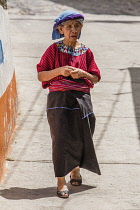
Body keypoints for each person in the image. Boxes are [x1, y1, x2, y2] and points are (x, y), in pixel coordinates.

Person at [37, 10, 101, 198]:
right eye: (69, 27)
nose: (73, 30)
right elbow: (41, 75)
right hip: (59, 98)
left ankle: (75, 169)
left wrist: (82, 74)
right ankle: (60, 181)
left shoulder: (86, 51)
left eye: (77, 26)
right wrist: (60, 71)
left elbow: (96, 77)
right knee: (61, 138)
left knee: (83, 135)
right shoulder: (53, 50)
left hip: (82, 98)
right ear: (60, 29)